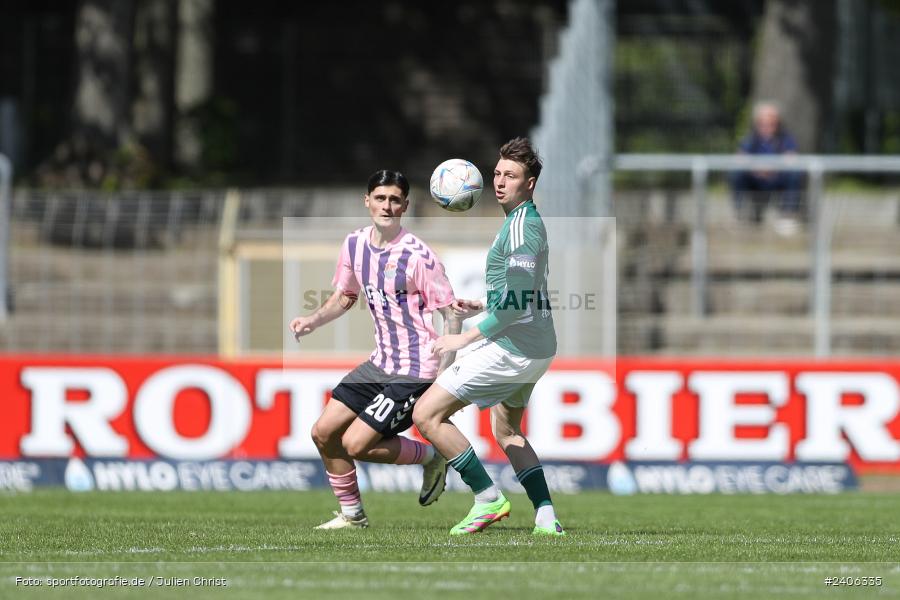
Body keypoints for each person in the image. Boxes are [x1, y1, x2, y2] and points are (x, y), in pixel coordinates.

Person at [289, 169, 460, 529]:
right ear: (366, 201)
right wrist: (313, 320)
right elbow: (346, 296)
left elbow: (451, 315)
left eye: (395, 200)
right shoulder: (354, 245)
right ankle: (352, 516)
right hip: (379, 362)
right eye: (380, 198)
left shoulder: (418, 256)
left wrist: (445, 378)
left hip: (416, 368)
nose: (387, 205)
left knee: (356, 443)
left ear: (405, 206)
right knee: (323, 433)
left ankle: (432, 457)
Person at [412, 137, 565, 536]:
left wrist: (463, 339)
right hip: (536, 345)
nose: (499, 181)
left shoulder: (522, 230)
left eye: (510, 176)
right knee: (507, 429)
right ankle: (547, 517)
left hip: (515, 347)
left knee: (426, 415)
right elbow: (522, 292)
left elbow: (516, 305)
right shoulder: (520, 223)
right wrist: (483, 304)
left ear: (529, 184)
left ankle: (486, 498)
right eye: (497, 173)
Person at [731, 101, 803, 226]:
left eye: (772, 122)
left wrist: (772, 169)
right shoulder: (751, 139)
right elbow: (740, 158)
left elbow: (792, 158)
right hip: (756, 178)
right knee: (736, 173)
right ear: (758, 123)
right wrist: (757, 169)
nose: (768, 125)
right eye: (764, 122)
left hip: (778, 178)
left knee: (795, 173)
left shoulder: (785, 138)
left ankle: (788, 215)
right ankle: (742, 214)